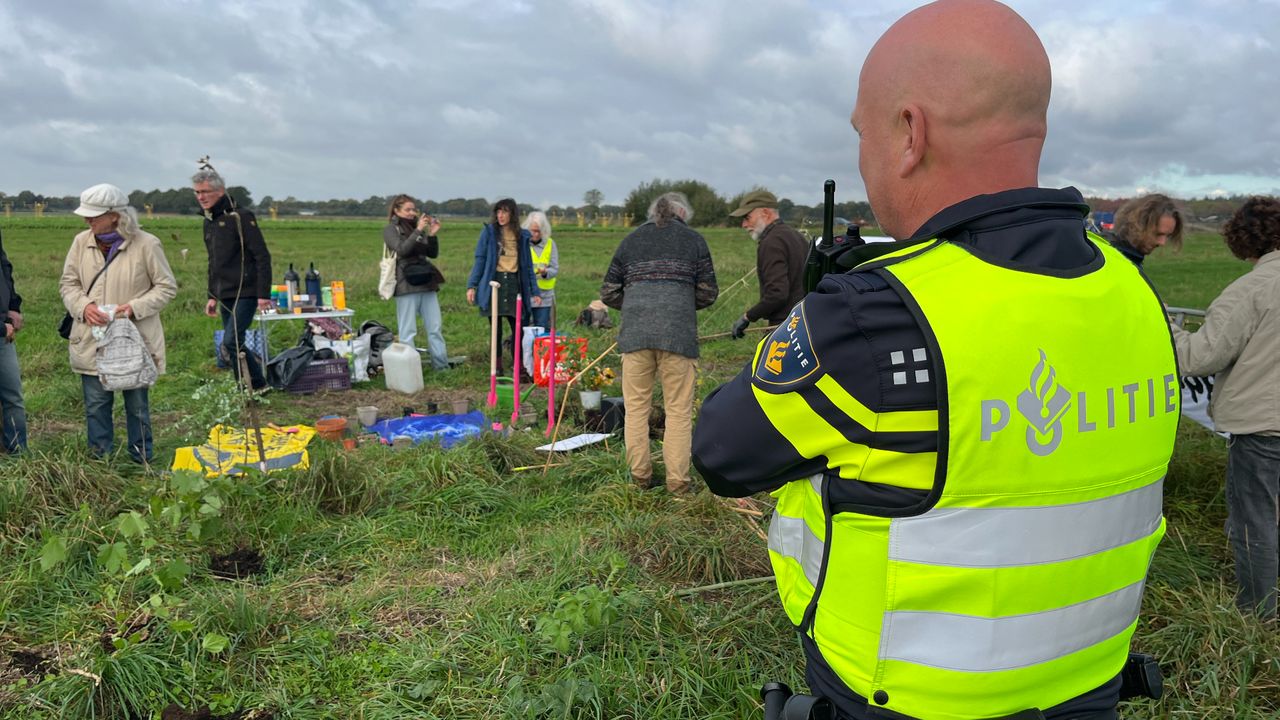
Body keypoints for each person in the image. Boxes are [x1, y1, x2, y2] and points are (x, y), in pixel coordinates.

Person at [692, 2, 1178, 718]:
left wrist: (817, 312)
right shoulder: (1129, 289)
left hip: (901, 698)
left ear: (910, 134)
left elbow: (722, 452)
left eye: (864, 134)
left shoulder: (876, 314)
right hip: (1089, 683)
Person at [1170, 196, 1280, 619]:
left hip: (1263, 428)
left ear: (1242, 240)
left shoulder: (1251, 289)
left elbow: (1200, 358)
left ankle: (1258, 614)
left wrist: (1171, 330)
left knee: (1255, 522)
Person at [602, 192, 717, 494]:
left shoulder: (631, 240)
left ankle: (640, 478)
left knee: (636, 409)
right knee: (678, 411)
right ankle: (678, 483)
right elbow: (708, 292)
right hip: (678, 336)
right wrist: (677, 305)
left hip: (634, 337)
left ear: (655, 212)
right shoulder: (694, 241)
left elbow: (609, 291)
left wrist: (638, 306)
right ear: (681, 212)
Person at [60, 184, 177, 463]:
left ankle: (142, 460)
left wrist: (132, 308)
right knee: (96, 404)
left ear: (115, 215)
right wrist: (84, 307)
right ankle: (101, 460)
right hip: (92, 338)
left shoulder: (147, 244)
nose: (88, 221)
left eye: (94, 215)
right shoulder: (80, 242)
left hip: (133, 339)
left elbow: (166, 287)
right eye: (86, 215)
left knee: (137, 406)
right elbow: (68, 283)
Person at [193, 166, 273, 390]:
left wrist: (263, 294)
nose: (201, 197)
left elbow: (262, 255)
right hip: (225, 292)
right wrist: (211, 295)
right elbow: (214, 262)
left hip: (246, 291)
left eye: (205, 191)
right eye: (197, 192)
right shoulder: (208, 221)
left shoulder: (241, 217)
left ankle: (254, 384)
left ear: (220, 191)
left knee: (231, 341)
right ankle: (248, 385)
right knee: (234, 344)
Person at [725, 189, 808, 339]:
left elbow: (777, 294)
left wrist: (747, 317)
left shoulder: (771, 242)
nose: (744, 224)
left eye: (747, 217)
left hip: (785, 327)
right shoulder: (796, 235)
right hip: (805, 321)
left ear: (765, 213)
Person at [466, 198, 535, 375]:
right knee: (495, 329)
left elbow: (527, 266)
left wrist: (534, 291)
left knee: (518, 327)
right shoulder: (489, 233)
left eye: (504, 212)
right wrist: (472, 285)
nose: (500, 215)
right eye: (498, 212)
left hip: (515, 284)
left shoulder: (523, 236)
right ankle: (496, 368)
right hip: (494, 284)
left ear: (513, 214)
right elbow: (480, 259)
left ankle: (519, 367)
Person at [383, 194, 449, 371]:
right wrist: (418, 230)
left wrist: (432, 235)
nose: (412, 213)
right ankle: (410, 370)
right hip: (406, 283)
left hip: (426, 281)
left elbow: (432, 254)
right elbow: (402, 250)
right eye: (408, 209)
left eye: (414, 209)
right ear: (397, 211)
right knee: (408, 331)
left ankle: (441, 367)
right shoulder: (391, 229)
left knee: (435, 327)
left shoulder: (416, 228)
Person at [0, 228, 27, 455]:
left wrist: (13, 306)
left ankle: (18, 453)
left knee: (12, 396)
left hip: (2, 332)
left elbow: (4, 265)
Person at [1103, 193, 1184, 266]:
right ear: (1135, 225)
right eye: (1157, 234)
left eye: (1168, 236)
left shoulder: (1124, 258)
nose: (1162, 242)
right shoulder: (1110, 263)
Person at [523, 211, 559, 331]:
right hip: (525, 293)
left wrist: (545, 273)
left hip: (544, 296)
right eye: (532, 230)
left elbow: (555, 269)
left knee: (541, 328)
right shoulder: (522, 244)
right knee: (523, 328)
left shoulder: (550, 244)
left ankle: (539, 350)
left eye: (538, 231)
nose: (535, 234)